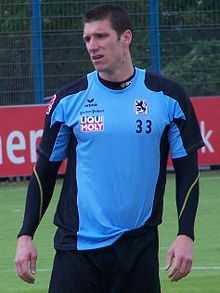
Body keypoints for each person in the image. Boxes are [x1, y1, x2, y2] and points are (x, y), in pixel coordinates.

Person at [15, 4, 204, 293]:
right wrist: (26, 235)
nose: (93, 46)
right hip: (76, 248)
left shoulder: (168, 98)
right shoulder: (68, 101)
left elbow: (188, 172)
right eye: (87, 39)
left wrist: (185, 234)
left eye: (101, 36)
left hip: (138, 249)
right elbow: (44, 172)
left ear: (125, 37)